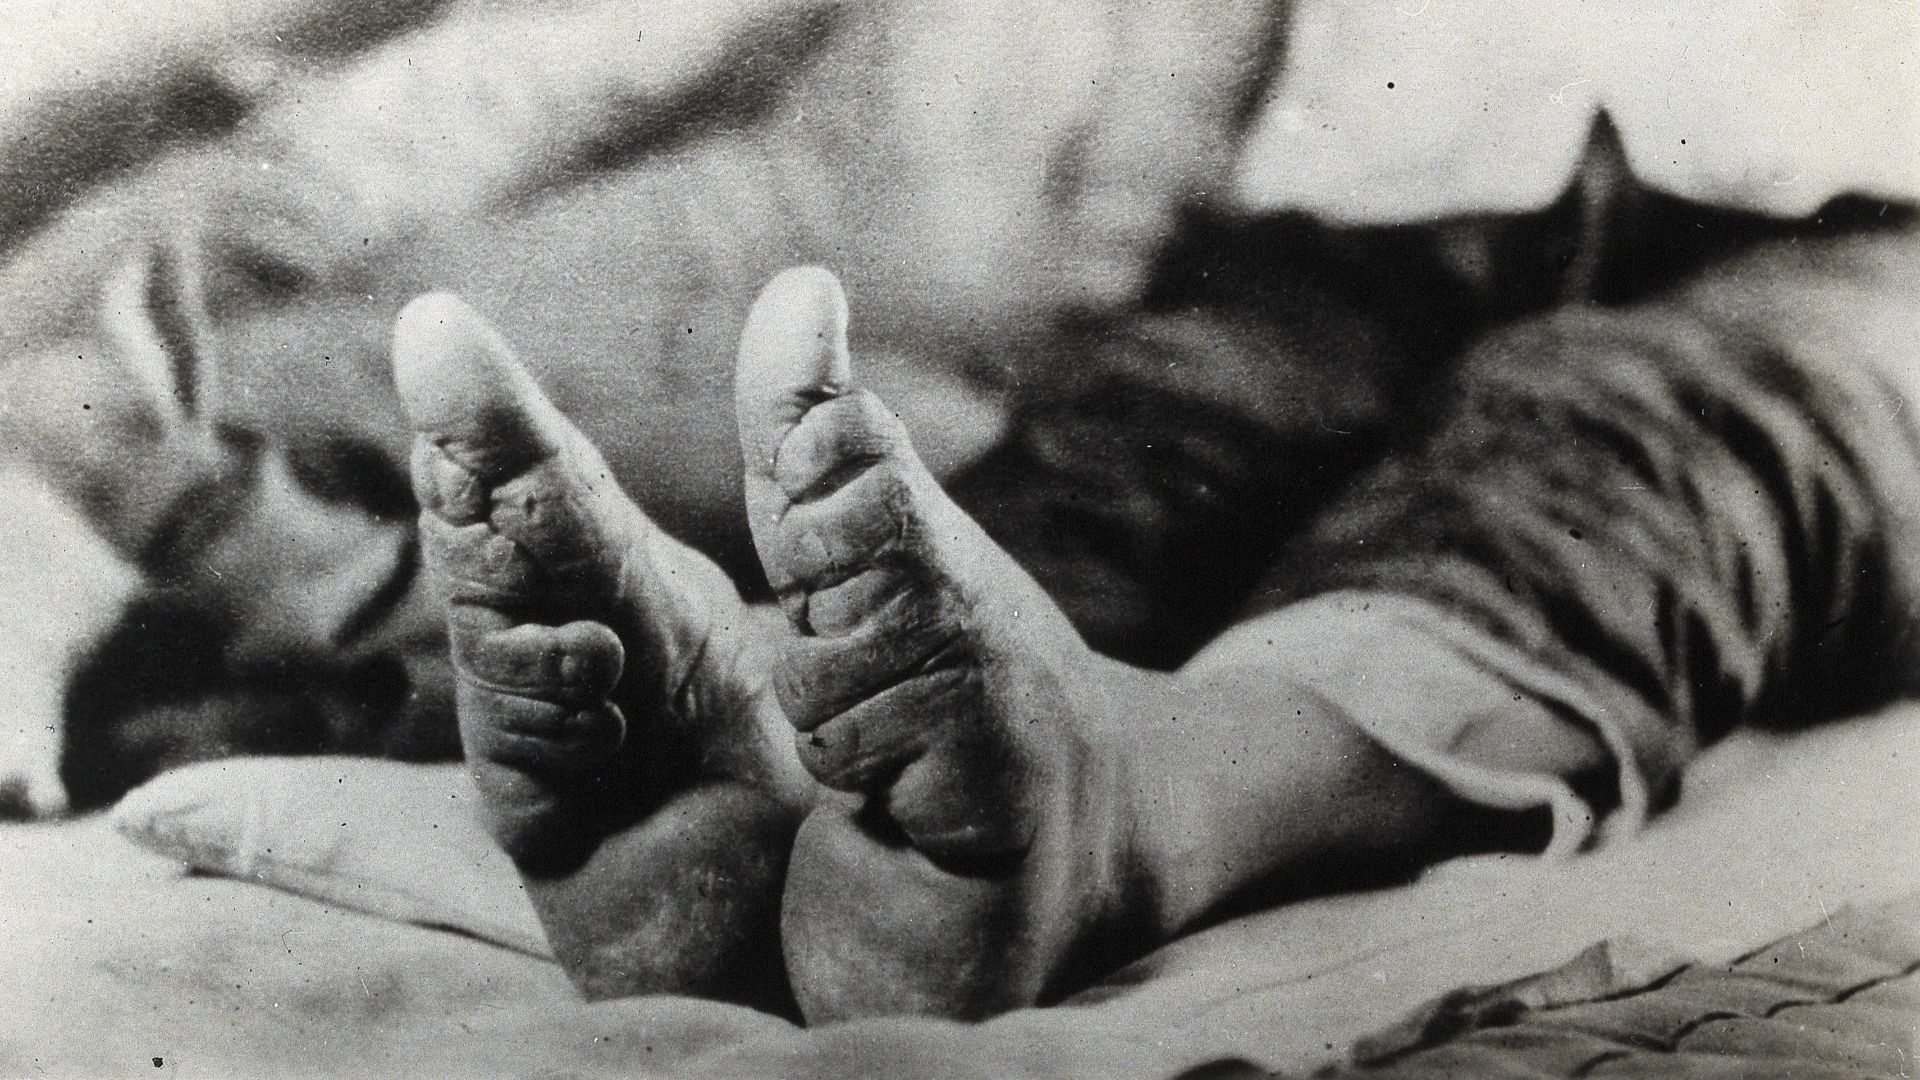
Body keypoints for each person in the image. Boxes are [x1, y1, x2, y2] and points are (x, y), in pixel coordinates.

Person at [386, 197, 1920, 1022]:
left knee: (1642, 430)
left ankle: (1134, 801)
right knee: (1155, 424)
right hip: (1386, 210)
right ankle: (817, 795)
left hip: (1873, 244)